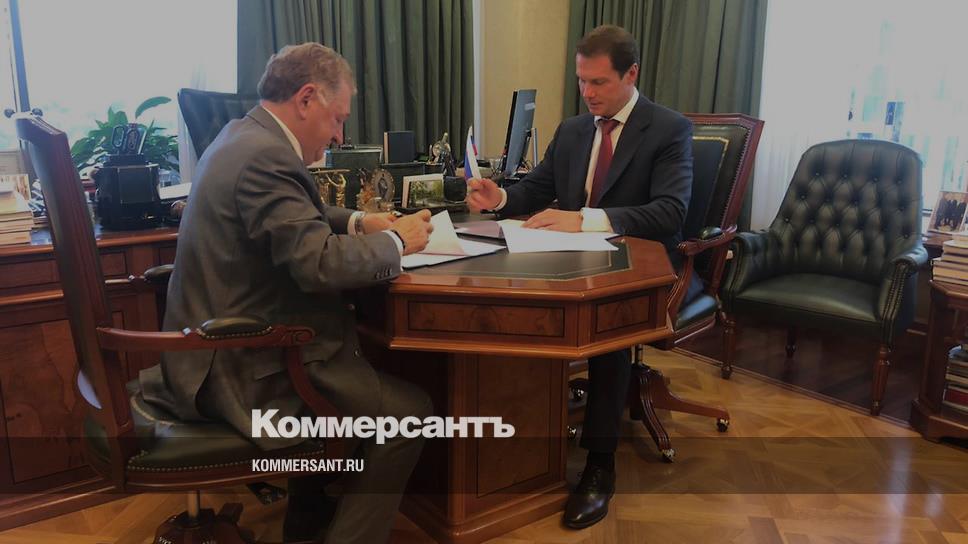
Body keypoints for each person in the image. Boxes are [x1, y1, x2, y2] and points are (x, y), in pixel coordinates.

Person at [139, 43, 434, 544]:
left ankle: (307, 523)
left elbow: (296, 212)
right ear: (306, 98)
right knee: (409, 416)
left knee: (359, 380)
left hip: (213, 352)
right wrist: (397, 242)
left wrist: (360, 221)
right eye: (337, 119)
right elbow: (318, 263)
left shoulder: (241, 136)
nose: (339, 135)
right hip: (241, 370)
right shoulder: (267, 157)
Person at [466, 25, 695, 529]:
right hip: (571, 258)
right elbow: (535, 189)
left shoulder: (668, 129)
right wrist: (499, 198)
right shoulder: (573, 130)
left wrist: (586, 219)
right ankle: (520, 439)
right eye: (581, 81)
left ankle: (599, 464)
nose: (587, 93)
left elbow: (670, 212)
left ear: (631, 74)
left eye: (599, 82)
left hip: (637, 266)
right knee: (512, 301)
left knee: (606, 333)